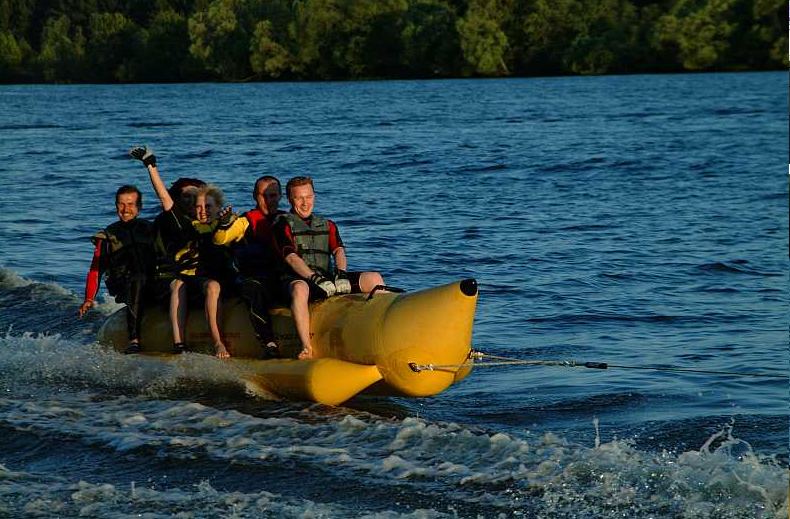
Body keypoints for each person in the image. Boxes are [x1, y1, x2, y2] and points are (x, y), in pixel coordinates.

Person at [273, 176, 384, 359]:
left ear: (314, 196)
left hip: (325, 279)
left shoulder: (328, 225)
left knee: (374, 279)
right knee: (300, 288)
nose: (305, 203)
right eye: (299, 198)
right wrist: (313, 278)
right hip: (296, 281)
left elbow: (338, 250)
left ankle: (382, 330)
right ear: (290, 199)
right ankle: (306, 347)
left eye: (309, 197)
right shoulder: (281, 224)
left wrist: (341, 274)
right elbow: (291, 258)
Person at [129, 146, 207, 355]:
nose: (192, 201)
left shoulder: (208, 221)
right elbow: (164, 197)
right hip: (168, 283)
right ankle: (178, 343)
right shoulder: (175, 219)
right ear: (177, 199)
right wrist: (150, 165)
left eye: (196, 196)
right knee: (179, 284)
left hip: (199, 279)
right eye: (186, 196)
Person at [213, 175, 285, 357]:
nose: (268, 201)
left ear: (280, 196)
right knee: (252, 288)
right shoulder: (245, 221)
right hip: (253, 280)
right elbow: (220, 239)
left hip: (281, 278)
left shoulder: (287, 219)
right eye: (262, 196)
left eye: (272, 195)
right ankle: (268, 342)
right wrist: (223, 224)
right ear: (254, 196)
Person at [78, 185, 155, 354]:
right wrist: (89, 298)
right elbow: (95, 270)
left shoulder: (150, 229)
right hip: (125, 284)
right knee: (137, 280)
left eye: (131, 204)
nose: (126, 209)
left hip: (151, 281)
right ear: (116, 206)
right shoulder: (108, 236)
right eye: (121, 204)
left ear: (139, 207)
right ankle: (134, 340)